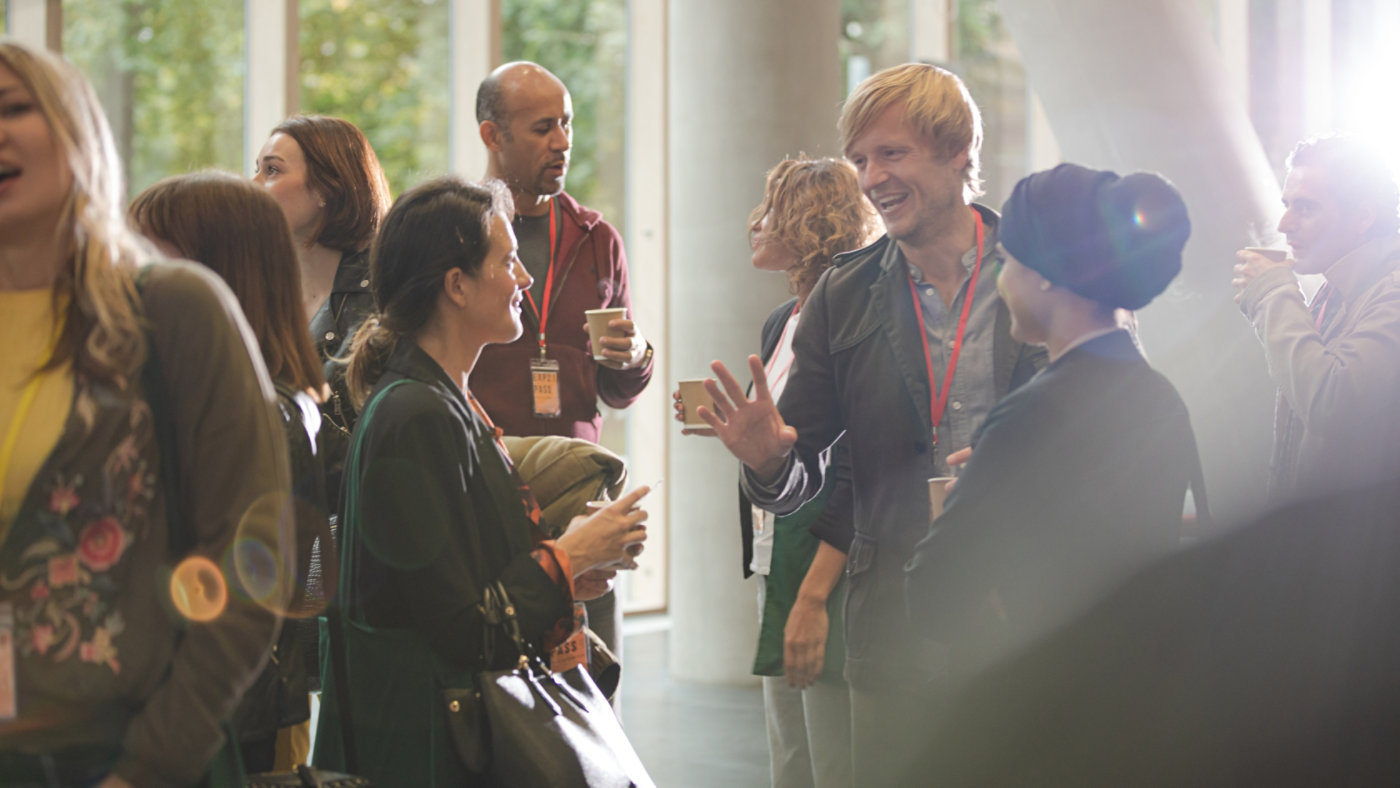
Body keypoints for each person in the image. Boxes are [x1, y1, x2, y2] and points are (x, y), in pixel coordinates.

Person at [698, 63, 1046, 785]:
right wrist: (766, 463)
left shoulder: (1045, 268)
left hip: (1026, 606)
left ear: (957, 151)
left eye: (893, 153)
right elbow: (803, 480)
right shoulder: (844, 293)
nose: (872, 177)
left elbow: (1099, 423)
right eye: (860, 159)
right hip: (892, 625)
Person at [0, 41, 290, 786]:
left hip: (125, 758)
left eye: (13, 109)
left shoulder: (172, 312)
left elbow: (253, 562)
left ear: (76, 130)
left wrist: (148, 768)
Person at [314, 176, 648, 784]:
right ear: (457, 286)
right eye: (508, 260)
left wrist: (566, 558)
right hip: (431, 751)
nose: (522, 278)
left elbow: (463, 578)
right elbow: (466, 629)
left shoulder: (440, 397)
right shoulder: (416, 414)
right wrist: (566, 559)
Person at [904, 163, 1205, 674]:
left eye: (1005, 261)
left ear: (1044, 273)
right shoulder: (1160, 396)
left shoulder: (1029, 416)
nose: (999, 281)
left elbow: (931, 600)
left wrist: (971, 506)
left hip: (1049, 693)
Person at [676, 157, 877, 787]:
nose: (754, 223)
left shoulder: (848, 317)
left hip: (827, 564)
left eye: (772, 209)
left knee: (832, 756)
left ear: (812, 222)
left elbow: (854, 467)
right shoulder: (781, 319)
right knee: (790, 755)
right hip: (778, 553)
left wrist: (815, 595)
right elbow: (787, 452)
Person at [129, 170, 334, 772]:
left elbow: (247, 596)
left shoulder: (260, 411)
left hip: (237, 721)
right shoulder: (259, 396)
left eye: (149, 257)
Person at [472, 60, 654, 675]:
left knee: (591, 690)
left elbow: (619, 390)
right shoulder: (460, 235)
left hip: (581, 490)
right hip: (490, 486)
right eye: (543, 128)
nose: (563, 142)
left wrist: (634, 359)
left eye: (568, 125)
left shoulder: (597, 237)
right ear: (492, 136)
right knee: (502, 685)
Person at [1232, 133, 1400, 504]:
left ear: (1363, 217)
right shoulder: (1337, 290)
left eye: (1305, 208)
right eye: (1287, 204)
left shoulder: (1393, 295)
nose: (1284, 223)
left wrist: (1274, 293)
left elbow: (1331, 401)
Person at [252, 114, 392, 432]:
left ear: (326, 188)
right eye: (257, 169)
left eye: (272, 170)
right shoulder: (260, 286)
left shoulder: (384, 296)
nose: (254, 184)